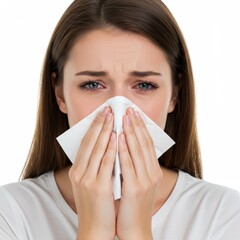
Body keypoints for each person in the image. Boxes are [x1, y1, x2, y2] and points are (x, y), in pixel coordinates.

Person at [0, 0, 239, 239]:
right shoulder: (10, 213)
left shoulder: (224, 214)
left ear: (174, 95)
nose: (118, 110)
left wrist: (136, 231)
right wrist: (95, 230)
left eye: (144, 85)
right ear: (60, 94)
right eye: (92, 84)